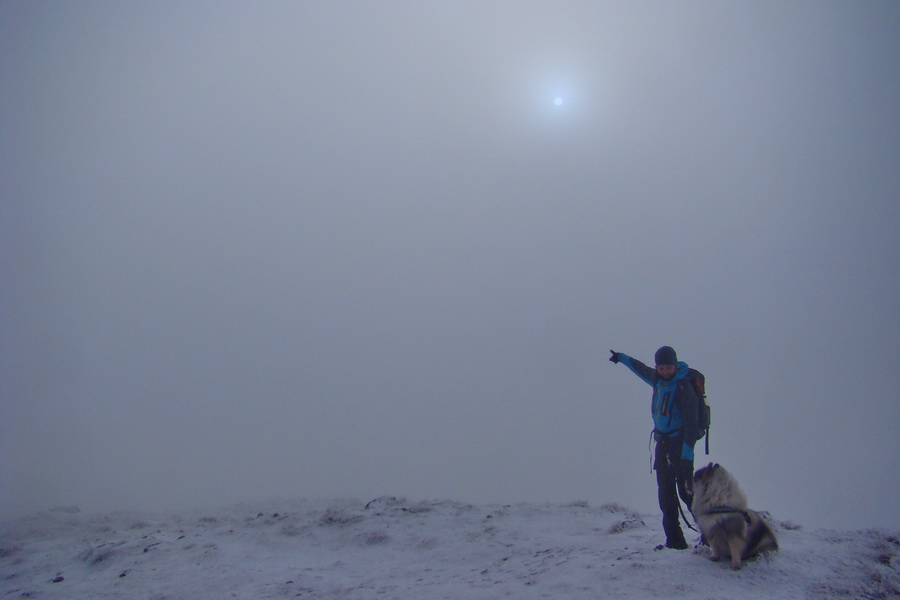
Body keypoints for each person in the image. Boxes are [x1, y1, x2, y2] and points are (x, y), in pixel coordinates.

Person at [609, 346, 700, 550]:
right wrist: (621, 357)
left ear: (675, 366)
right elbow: (639, 368)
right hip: (662, 444)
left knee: (687, 494)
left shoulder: (684, 388)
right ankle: (675, 542)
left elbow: (692, 424)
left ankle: (711, 536)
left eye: (669, 368)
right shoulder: (657, 379)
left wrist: (687, 456)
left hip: (680, 447)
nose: (665, 372)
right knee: (665, 494)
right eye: (662, 368)